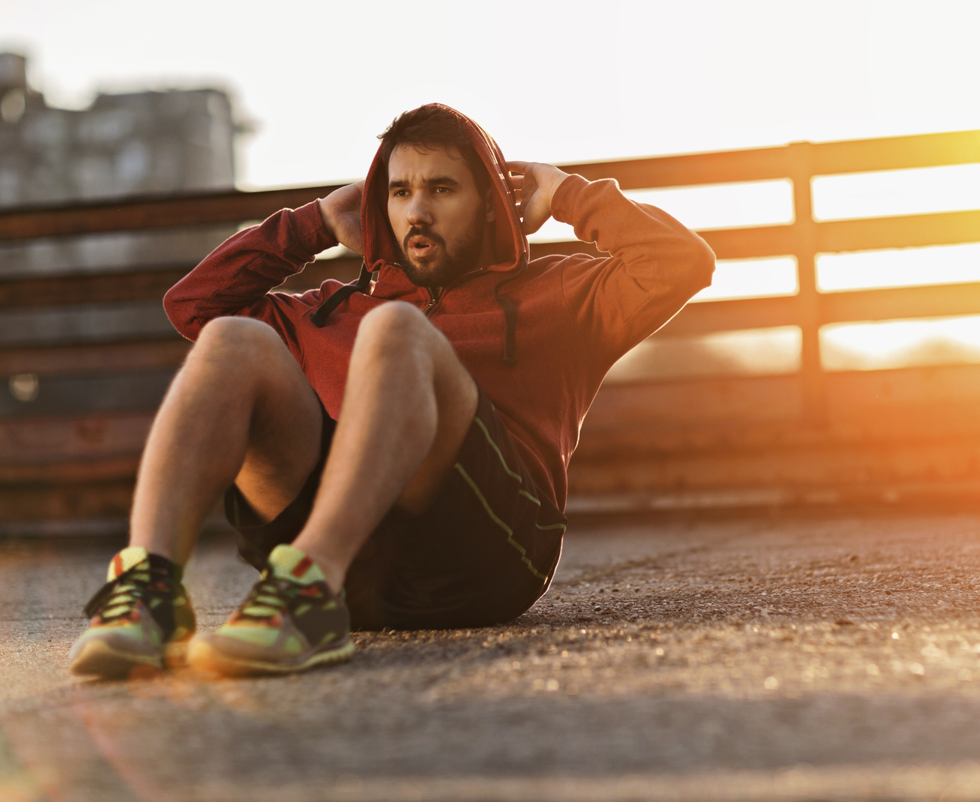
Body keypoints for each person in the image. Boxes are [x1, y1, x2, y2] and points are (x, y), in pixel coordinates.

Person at [68, 104, 715, 678]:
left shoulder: (560, 296)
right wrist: (315, 224)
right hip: (365, 568)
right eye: (400, 191)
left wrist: (569, 194)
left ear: (492, 201)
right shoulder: (336, 307)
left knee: (396, 331)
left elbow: (682, 263)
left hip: (486, 560)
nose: (417, 210)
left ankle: (308, 586)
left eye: (441, 189)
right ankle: (150, 593)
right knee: (234, 341)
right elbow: (195, 307)